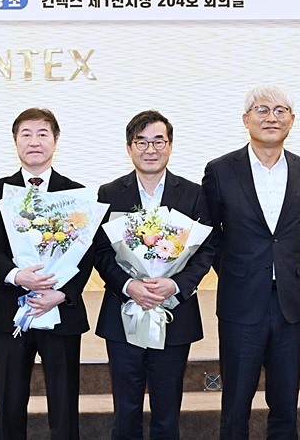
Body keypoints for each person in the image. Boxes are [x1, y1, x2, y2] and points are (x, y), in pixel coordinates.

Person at [202, 85, 300, 439]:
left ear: (292, 120)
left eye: (280, 111)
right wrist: (237, 272)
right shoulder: (220, 170)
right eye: (262, 110)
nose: (272, 117)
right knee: (236, 404)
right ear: (246, 119)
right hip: (240, 301)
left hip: (290, 304)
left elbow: (297, 229)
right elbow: (210, 234)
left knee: (285, 403)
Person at [93, 110, 215, 439]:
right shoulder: (109, 193)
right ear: (129, 148)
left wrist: (175, 284)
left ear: (170, 145)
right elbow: (101, 252)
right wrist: (128, 285)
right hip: (123, 314)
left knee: (167, 411)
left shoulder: (193, 194)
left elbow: (206, 249)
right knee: (126, 411)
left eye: (158, 141)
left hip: (174, 314)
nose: (151, 149)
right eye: (142, 142)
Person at [0, 108, 92, 440]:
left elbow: (87, 252)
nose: (34, 141)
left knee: (64, 402)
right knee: (10, 402)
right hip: (12, 309)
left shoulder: (76, 192)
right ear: (15, 141)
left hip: (61, 310)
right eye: (26, 134)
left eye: (42, 133)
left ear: (55, 140)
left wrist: (62, 293)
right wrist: (17, 276)